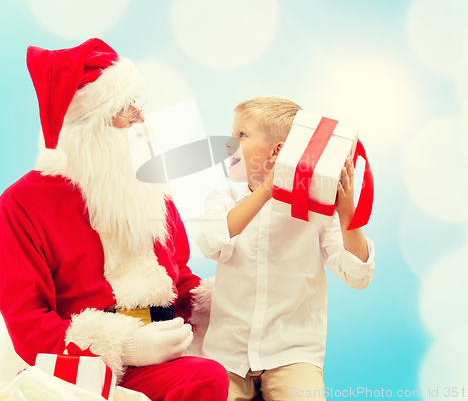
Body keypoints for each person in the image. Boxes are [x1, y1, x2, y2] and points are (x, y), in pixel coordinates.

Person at [0, 38, 228, 401]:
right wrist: (127, 345)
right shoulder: (21, 204)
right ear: (88, 126)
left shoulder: (149, 188)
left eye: (138, 106)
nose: (140, 119)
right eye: (126, 109)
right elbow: (29, 326)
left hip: (168, 353)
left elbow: (178, 276)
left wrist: (224, 298)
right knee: (206, 378)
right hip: (85, 370)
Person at [196, 96, 375, 401]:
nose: (229, 143)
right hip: (227, 353)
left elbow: (358, 276)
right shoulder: (223, 196)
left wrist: (347, 214)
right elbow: (211, 243)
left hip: (292, 352)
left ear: (278, 151)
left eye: (241, 135)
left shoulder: (318, 211)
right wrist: (268, 188)